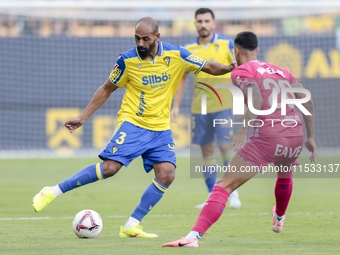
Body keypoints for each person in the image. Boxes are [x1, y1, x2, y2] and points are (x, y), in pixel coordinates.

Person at [32, 17, 237, 238]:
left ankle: (131, 224)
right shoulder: (126, 60)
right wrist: (83, 117)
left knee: (167, 174)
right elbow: (106, 88)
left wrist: (227, 68)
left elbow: (208, 66)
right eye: (137, 38)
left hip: (160, 128)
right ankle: (52, 191)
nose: (140, 43)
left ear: (157, 37)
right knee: (110, 168)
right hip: (134, 123)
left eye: (145, 39)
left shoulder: (177, 55)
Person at [162, 31, 317, 247]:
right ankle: (279, 218)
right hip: (295, 136)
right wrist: (310, 137)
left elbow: (255, 97)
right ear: (258, 50)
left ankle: (192, 237)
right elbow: (306, 100)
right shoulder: (282, 71)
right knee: (284, 174)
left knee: (223, 186)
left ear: (235, 51)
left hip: (268, 138)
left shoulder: (241, 71)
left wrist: (244, 131)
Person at [171, 8, 241, 209]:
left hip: (224, 105)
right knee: (207, 151)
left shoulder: (227, 44)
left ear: (213, 23)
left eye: (206, 21)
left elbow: (242, 69)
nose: (203, 24)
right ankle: (213, 196)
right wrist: (175, 106)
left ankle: (232, 192)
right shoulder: (187, 49)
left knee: (225, 147)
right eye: (199, 21)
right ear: (195, 24)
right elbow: (181, 80)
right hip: (199, 108)